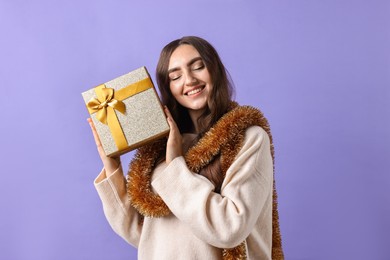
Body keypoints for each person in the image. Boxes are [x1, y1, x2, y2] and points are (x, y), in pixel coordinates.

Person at [88, 36, 284, 260]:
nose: (189, 80)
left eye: (198, 67)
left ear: (215, 71)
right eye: (175, 76)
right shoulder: (157, 150)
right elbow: (144, 235)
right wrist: (111, 166)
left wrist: (175, 166)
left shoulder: (247, 138)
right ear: (168, 87)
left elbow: (230, 228)